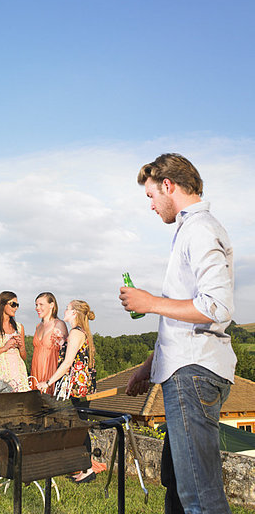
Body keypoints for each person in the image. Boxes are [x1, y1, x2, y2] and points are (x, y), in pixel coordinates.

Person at [119, 153, 237, 514]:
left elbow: (217, 307)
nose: (152, 206)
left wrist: (151, 302)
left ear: (168, 185)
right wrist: (149, 365)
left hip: (194, 376)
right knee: (177, 487)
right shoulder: (190, 229)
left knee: (200, 497)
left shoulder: (199, 228)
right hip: (186, 371)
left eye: (152, 196)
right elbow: (188, 315)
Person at [38, 299, 96, 483]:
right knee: (77, 427)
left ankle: (87, 469)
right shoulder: (79, 332)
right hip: (77, 387)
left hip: (77, 388)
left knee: (79, 428)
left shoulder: (76, 333)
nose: (65, 310)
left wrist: (48, 382)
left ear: (75, 313)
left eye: (67, 308)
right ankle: (83, 468)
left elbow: (67, 363)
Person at [0, 291, 30, 392]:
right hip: (1, 374)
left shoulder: (19, 327)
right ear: (2, 304)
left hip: (19, 372)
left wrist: (21, 347)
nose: (16, 308)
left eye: (17, 305)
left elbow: (24, 356)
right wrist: (4, 348)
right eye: (13, 304)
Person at [29, 292, 67, 394]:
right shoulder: (38, 326)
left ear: (51, 305)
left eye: (41, 304)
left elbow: (65, 355)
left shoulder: (59, 325)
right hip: (36, 370)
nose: (37, 308)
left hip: (51, 371)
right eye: (36, 305)